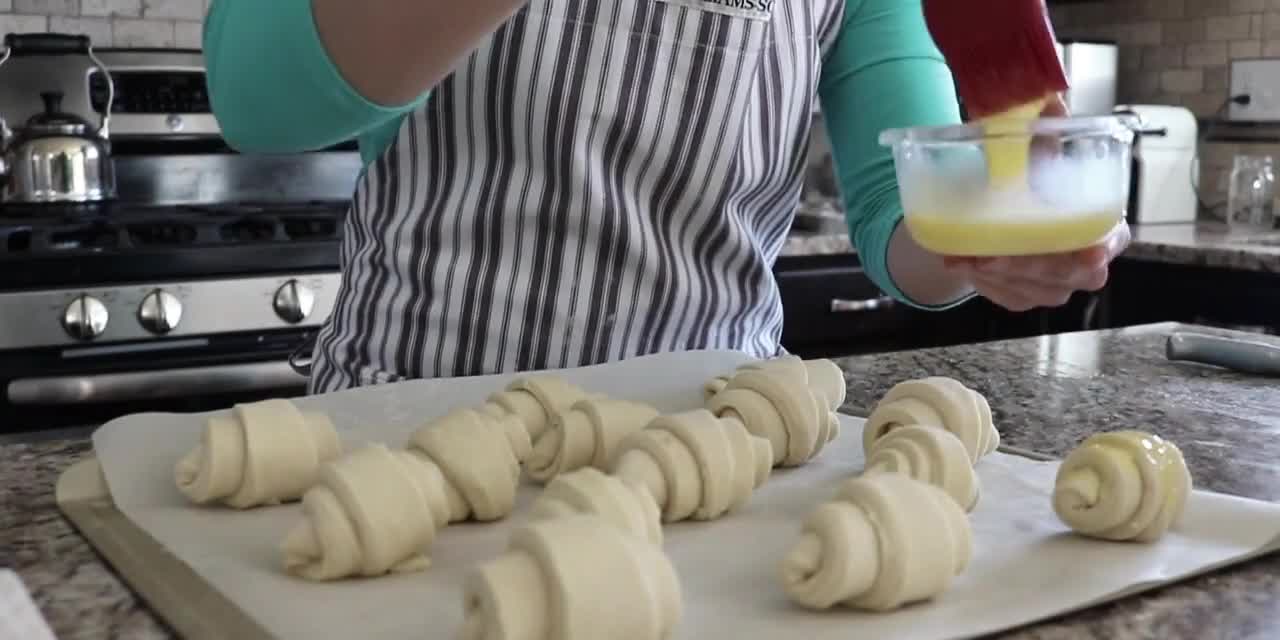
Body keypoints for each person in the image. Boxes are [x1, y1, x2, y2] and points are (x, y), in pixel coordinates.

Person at [203, 0, 1129, 393]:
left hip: (713, 451)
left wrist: (989, 238)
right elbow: (256, 99)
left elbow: (898, 212)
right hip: (406, 423)